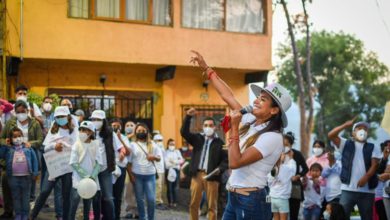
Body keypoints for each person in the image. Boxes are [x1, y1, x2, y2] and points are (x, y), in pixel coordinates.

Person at [189, 50, 291, 220]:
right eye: (258, 96)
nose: (256, 100)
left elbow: (235, 162)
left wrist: (234, 127)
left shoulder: (273, 137)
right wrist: (207, 68)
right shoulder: (251, 120)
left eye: (263, 99)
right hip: (234, 197)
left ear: (274, 110)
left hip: (252, 201)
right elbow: (227, 95)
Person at [31, 106, 78, 220]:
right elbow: (45, 147)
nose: (60, 119)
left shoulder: (75, 130)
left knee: (67, 196)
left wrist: (69, 146)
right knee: (44, 191)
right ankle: (32, 216)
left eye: (62, 116)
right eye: (58, 117)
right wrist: (54, 146)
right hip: (54, 166)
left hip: (68, 168)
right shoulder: (54, 129)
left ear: (68, 116)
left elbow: (78, 148)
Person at [328, 119, 381, 220]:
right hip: (347, 189)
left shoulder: (373, 147)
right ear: (353, 132)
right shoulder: (345, 144)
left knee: (367, 217)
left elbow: (374, 165)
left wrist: (365, 177)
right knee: (341, 216)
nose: (363, 131)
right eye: (359, 128)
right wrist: (345, 125)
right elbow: (331, 135)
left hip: (367, 191)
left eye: (365, 129)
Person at [181, 107, 228, 220]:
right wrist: (188, 117)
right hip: (197, 175)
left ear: (215, 127)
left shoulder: (220, 143)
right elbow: (184, 132)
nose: (208, 128)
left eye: (210, 125)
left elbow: (226, 160)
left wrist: (220, 169)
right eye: (206, 125)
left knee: (212, 206)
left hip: (212, 176)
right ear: (202, 127)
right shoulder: (197, 138)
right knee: (194, 204)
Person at [0, 100, 43, 219]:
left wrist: (30, 143)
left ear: (27, 111)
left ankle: (26, 212)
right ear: (15, 112)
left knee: (26, 190)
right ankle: (9, 210)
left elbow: (40, 140)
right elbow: (2, 138)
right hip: (11, 158)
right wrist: (6, 142)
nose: (20, 114)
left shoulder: (34, 123)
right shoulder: (10, 123)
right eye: (18, 112)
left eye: (23, 111)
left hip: (28, 156)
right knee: (6, 183)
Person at [90, 110, 124, 220]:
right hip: (92, 171)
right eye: (93, 119)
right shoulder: (88, 132)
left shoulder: (110, 134)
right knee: (95, 198)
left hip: (105, 170)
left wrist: (122, 153)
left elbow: (120, 148)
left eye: (98, 120)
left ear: (104, 121)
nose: (96, 122)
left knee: (108, 198)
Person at [0, 127, 38, 220]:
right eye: (15, 137)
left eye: (20, 136)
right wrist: (6, 144)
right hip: (13, 178)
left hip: (26, 177)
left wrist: (35, 173)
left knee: (25, 197)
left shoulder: (28, 148)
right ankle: (18, 214)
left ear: (23, 137)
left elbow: (35, 161)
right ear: (11, 138)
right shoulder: (9, 149)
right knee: (16, 197)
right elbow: (1, 154)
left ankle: (25, 214)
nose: (18, 138)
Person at [69, 121, 103, 220]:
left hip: (92, 179)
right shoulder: (76, 144)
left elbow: (99, 162)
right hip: (78, 178)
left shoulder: (96, 144)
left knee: (88, 202)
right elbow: (73, 162)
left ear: (91, 132)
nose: (83, 132)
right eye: (82, 130)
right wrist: (85, 176)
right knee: (74, 201)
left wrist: (92, 176)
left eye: (86, 130)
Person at [129, 123, 162, 220]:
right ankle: (143, 217)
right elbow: (129, 163)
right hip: (137, 175)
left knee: (151, 200)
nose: (141, 133)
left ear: (147, 132)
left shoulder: (153, 144)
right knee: (140, 199)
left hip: (150, 175)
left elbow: (159, 157)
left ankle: (151, 218)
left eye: (143, 131)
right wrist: (131, 176)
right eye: (139, 131)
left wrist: (154, 157)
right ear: (135, 132)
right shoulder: (132, 145)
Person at [40, 96, 63, 218]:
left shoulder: (57, 118)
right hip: (46, 150)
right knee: (45, 181)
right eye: (46, 102)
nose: (48, 104)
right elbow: (45, 143)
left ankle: (60, 214)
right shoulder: (38, 115)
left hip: (60, 160)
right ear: (42, 103)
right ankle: (38, 207)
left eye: (50, 102)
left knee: (59, 188)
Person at [283, 132, 309, 220]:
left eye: (286, 144)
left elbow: (306, 168)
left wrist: (298, 175)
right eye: (282, 144)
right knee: (280, 213)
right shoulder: (278, 154)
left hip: (294, 187)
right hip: (280, 187)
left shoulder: (297, 154)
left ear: (291, 145)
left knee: (294, 213)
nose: (284, 147)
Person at [268, 146, 296, 220]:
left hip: (273, 198)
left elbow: (269, 182)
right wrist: (291, 158)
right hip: (282, 199)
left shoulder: (270, 168)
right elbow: (293, 170)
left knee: (275, 218)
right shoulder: (286, 169)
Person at [111, 118, 131, 220]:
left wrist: (120, 139)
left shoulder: (124, 137)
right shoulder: (107, 137)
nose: (115, 128)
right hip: (110, 168)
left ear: (121, 127)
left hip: (121, 168)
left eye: (117, 126)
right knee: (108, 195)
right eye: (113, 126)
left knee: (118, 195)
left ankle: (116, 216)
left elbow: (128, 152)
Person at [123, 120, 139, 219]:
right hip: (127, 167)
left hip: (138, 166)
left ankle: (137, 211)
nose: (129, 127)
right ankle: (129, 210)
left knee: (138, 190)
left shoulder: (139, 137)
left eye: (131, 125)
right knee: (128, 189)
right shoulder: (123, 138)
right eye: (127, 125)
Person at [164, 138, 184, 208]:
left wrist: (174, 162)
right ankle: (170, 202)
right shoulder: (165, 152)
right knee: (169, 187)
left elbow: (182, 160)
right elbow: (166, 163)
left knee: (175, 187)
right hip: (169, 170)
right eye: (171, 144)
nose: (172, 145)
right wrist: (176, 162)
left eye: (173, 144)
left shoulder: (177, 151)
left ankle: (175, 202)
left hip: (176, 170)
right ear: (168, 144)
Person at [153, 133, 166, 209]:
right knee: (158, 186)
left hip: (162, 169)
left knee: (161, 186)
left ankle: (159, 201)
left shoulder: (162, 148)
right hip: (156, 169)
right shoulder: (154, 147)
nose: (160, 141)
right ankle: (157, 202)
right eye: (158, 140)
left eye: (161, 140)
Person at [377, 140, 390, 219]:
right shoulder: (382, 157)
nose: (389, 147)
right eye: (387, 146)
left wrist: (387, 173)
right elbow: (380, 174)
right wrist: (385, 158)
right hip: (386, 193)